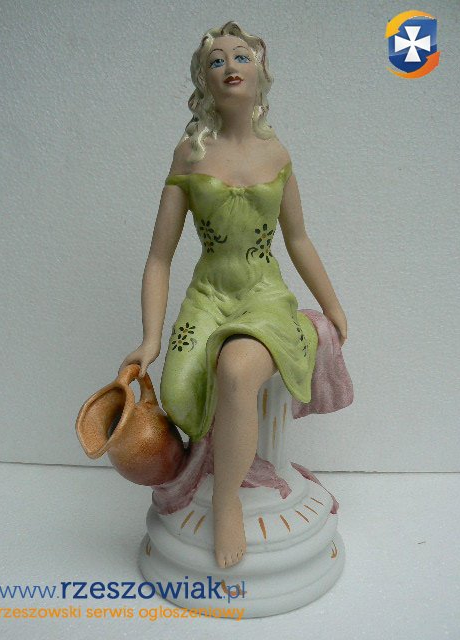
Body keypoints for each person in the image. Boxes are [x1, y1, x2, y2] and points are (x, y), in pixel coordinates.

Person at [119, 21, 348, 569]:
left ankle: (226, 503)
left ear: (261, 73)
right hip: (208, 297)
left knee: (238, 368)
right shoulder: (189, 154)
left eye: (241, 56)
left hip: (263, 295)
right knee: (180, 389)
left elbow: (298, 238)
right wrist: (151, 337)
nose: (230, 66)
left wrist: (333, 305)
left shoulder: (277, 154)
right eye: (216, 60)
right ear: (204, 79)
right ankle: (212, 473)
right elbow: (159, 256)